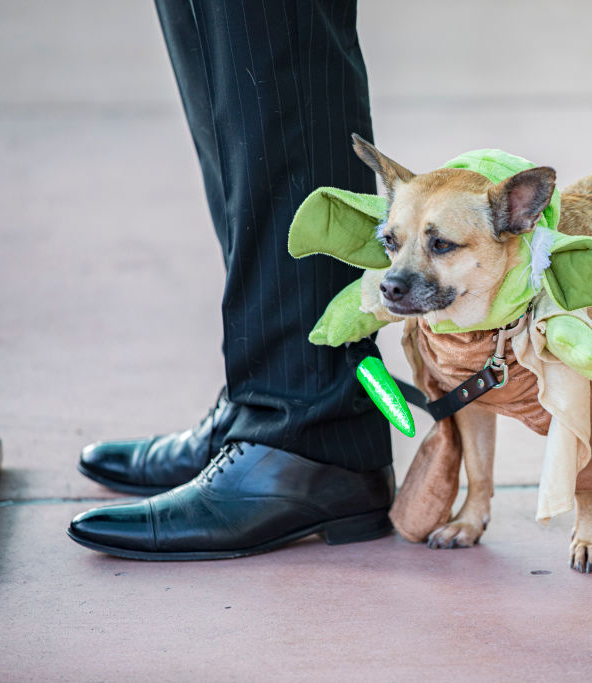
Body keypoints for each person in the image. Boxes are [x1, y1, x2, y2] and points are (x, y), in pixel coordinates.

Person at [67, 0, 394, 559]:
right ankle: (263, 405)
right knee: (220, 65)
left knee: (274, 47)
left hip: (311, 417)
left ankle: (308, 425)